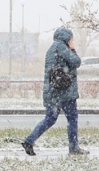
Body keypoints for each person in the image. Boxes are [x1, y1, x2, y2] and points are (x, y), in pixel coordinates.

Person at [22, 26, 88, 156]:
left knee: (49, 119)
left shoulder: (51, 49)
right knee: (72, 119)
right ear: (68, 38)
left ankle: (29, 140)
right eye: (72, 39)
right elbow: (76, 62)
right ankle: (74, 148)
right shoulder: (63, 48)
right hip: (65, 93)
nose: (72, 41)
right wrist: (73, 48)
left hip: (52, 93)